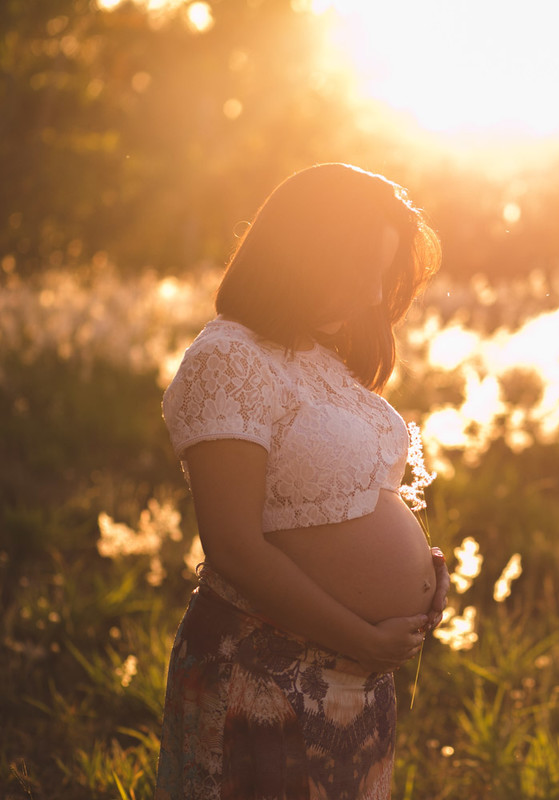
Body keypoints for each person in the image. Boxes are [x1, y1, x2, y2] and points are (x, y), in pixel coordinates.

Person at [155, 162, 450, 799]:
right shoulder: (228, 357)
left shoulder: (322, 358)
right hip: (263, 676)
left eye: (384, 272)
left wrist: (418, 577)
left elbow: (328, 503)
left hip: (351, 680)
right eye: (361, 269)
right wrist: (363, 634)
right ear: (302, 254)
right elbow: (232, 545)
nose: (375, 295)